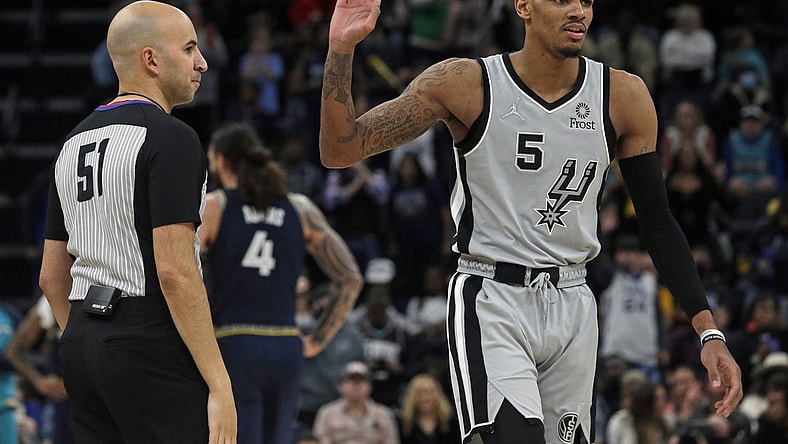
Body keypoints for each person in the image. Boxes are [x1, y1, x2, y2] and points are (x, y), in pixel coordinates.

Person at [319, 1, 743, 443]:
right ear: (522, 5)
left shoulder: (623, 96)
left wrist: (708, 331)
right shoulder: (467, 83)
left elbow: (658, 223)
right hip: (493, 295)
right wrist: (341, 48)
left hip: (574, 301)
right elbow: (340, 150)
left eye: (587, 1)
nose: (578, 10)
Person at [37, 2, 237, 442]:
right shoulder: (173, 137)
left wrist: (96, 342)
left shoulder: (72, 142)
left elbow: (52, 277)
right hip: (150, 341)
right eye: (189, 49)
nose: (202, 61)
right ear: (151, 59)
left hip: (82, 344)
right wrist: (221, 384)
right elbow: (175, 271)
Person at [198, 122, 364, 444]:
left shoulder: (215, 205)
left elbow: (182, 269)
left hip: (234, 341)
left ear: (219, 160)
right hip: (286, 345)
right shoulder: (299, 208)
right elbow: (350, 278)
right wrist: (316, 340)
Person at [4, 295, 73, 444]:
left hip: (105, 399)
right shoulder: (52, 301)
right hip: (66, 407)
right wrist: (39, 381)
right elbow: (13, 351)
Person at [312, 361, 400, 444]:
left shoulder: (384, 415)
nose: (356, 385)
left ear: (370, 386)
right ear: (341, 385)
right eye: (351, 379)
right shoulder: (327, 413)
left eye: (362, 380)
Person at [399, 373, 461, 444]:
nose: (426, 398)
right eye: (420, 393)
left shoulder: (452, 423)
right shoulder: (403, 426)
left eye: (430, 392)